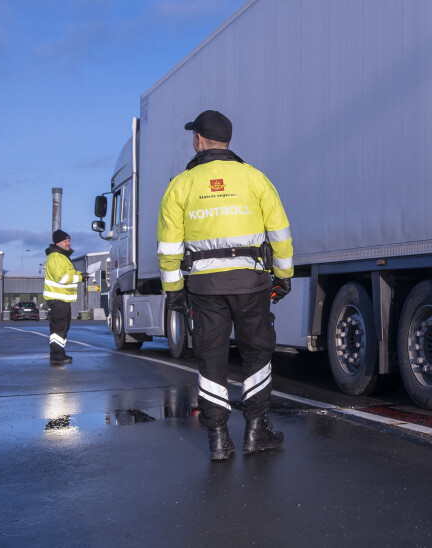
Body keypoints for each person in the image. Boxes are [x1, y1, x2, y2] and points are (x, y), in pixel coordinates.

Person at [157, 109, 294, 461]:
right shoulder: (255, 178)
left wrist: (174, 291)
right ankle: (256, 430)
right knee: (257, 353)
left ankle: (218, 438)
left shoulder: (180, 185)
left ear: (199, 140)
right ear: (227, 141)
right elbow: (280, 233)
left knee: (212, 357)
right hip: (252, 283)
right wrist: (283, 275)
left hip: (205, 288)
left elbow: (169, 248)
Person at [43, 230, 83, 366]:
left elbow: (68, 274)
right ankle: (56, 355)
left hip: (62, 300)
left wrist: (81, 275)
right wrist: (80, 277)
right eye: (65, 241)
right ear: (57, 242)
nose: (68, 243)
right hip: (57, 300)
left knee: (62, 328)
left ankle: (59, 353)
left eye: (69, 240)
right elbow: (61, 278)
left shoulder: (62, 257)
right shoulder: (55, 257)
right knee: (58, 329)